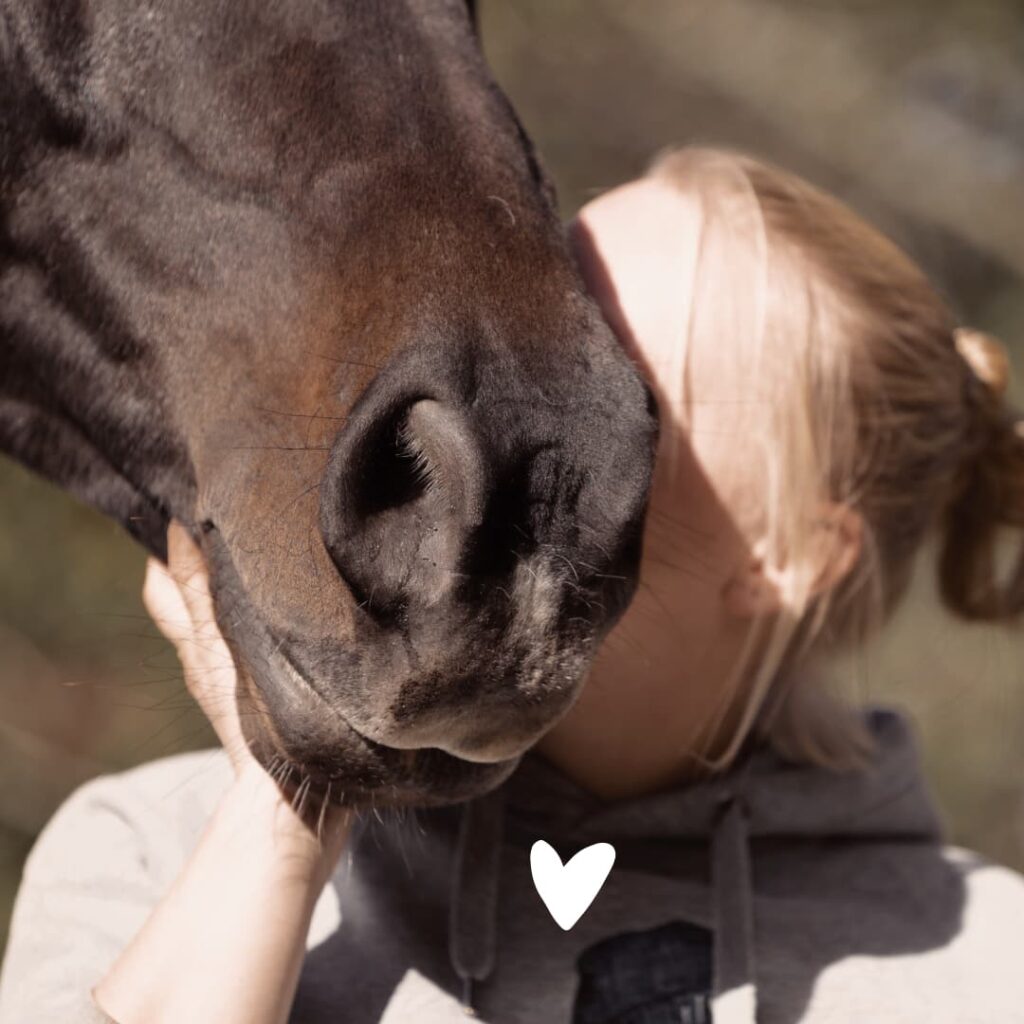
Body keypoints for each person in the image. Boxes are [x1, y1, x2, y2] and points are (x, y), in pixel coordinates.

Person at [2, 146, 1024, 1024]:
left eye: (623, 376)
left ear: (794, 551)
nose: (501, 391)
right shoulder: (153, 853)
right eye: (541, 308)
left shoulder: (982, 975)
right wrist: (286, 808)